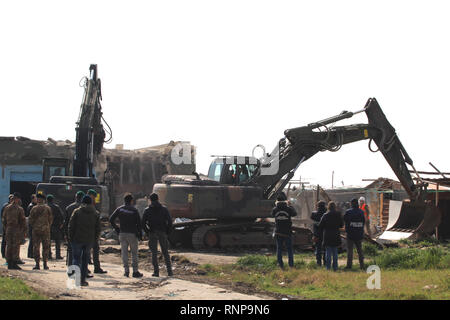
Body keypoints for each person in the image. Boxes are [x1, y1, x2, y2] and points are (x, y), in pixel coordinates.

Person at [68, 195, 101, 287]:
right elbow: (98, 229)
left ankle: (76, 278)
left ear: (82, 202)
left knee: (76, 259)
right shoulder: (95, 213)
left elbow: (71, 226)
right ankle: (82, 280)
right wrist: (94, 240)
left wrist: (70, 237)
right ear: (91, 203)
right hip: (89, 241)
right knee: (85, 260)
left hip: (77, 239)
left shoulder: (77, 212)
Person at [109, 193, 143, 278]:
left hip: (122, 233)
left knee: (124, 253)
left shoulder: (120, 209)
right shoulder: (134, 210)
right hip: (132, 234)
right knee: (134, 253)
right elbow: (139, 224)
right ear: (131, 201)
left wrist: (117, 228)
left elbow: (111, 219)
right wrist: (140, 235)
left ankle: (126, 271)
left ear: (124, 200)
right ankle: (135, 271)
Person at [142, 193, 173, 277]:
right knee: (165, 252)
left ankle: (156, 272)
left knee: (154, 253)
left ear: (150, 200)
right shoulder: (164, 209)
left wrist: (148, 232)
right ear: (158, 199)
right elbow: (170, 222)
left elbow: (143, 223)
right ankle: (169, 272)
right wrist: (167, 232)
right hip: (162, 232)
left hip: (152, 232)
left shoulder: (147, 210)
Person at [271, 192, 297, 269]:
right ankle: (291, 265)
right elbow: (295, 214)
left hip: (278, 231)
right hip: (287, 232)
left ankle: (280, 264)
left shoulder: (275, 209)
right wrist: (290, 205)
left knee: (279, 249)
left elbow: (272, 215)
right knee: (289, 249)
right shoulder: (288, 209)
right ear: (285, 200)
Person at [2, 192, 26, 270]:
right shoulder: (19, 209)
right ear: (18, 199)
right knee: (15, 246)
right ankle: (14, 263)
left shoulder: (7, 207)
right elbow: (22, 221)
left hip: (9, 229)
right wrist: (23, 231)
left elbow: (3, 219)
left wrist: (6, 228)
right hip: (16, 229)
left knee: (9, 245)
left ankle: (9, 262)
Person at [29, 193, 53, 270]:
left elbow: (30, 220)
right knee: (45, 247)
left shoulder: (34, 208)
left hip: (36, 230)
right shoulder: (48, 208)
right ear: (44, 200)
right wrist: (47, 226)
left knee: (36, 247)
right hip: (45, 230)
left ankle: (37, 264)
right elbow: (50, 219)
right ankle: (45, 264)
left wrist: (35, 226)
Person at [318, 202, 343, 271]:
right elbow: (341, 225)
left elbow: (320, 226)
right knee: (335, 252)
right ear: (335, 207)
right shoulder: (338, 214)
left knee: (328, 252)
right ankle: (335, 267)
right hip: (336, 234)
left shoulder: (325, 215)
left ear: (328, 207)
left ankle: (328, 268)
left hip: (327, 235)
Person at [87, 189, 107, 274]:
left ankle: (96, 268)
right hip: (88, 233)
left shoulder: (94, 207)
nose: (94, 199)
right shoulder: (86, 207)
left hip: (93, 233)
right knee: (87, 251)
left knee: (95, 250)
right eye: (93, 197)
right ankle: (86, 268)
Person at [64, 191, 84, 266]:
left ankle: (70, 267)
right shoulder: (84, 208)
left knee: (71, 250)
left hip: (71, 232)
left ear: (76, 197)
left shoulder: (69, 207)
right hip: (81, 232)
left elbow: (66, 222)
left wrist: (65, 233)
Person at [344, 198, 365, 270]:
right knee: (360, 250)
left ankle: (349, 266)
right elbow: (363, 222)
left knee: (350, 251)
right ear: (358, 204)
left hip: (350, 234)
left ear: (352, 204)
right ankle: (362, 265)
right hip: (359, 234)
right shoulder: (361, 212)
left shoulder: (348, 212)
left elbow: (345, 221)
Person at [47, 195, 64, 260]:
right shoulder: (56, 207)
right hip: (56, 226)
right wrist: (61, 224)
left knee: (48, 241)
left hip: (47, 226)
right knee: (57, 241)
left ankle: (48, 255)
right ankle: (58, 255)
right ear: (52, 200)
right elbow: (61, 216)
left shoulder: (45, 207)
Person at [311, 200, 327, 266]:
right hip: (325, 233)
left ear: (318, 206)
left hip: (317, 233)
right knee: (325, 249)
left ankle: (318, 262)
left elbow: (312, 216)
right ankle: (325, 262)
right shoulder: (326, 214)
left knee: (318, 248)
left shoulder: (314, 214)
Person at [1, 195, 14, 260]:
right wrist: (4, 225)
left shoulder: (13, 207)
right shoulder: (6, 206)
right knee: (5, 240)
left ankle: (7, 254)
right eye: (11, 199)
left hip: (11, 227)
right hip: (6, 226)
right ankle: (3, 253)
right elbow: (3, 216)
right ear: (9, 199)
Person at [26, 194, 37, 259]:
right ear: (32, 199)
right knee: (32, 240)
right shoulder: (31, 206)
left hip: (33, 226)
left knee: (33, 240)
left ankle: (31, 253)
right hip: (32, 226)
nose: (36, 200)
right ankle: (30, 254)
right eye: (35, 199)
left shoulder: (33, 206)